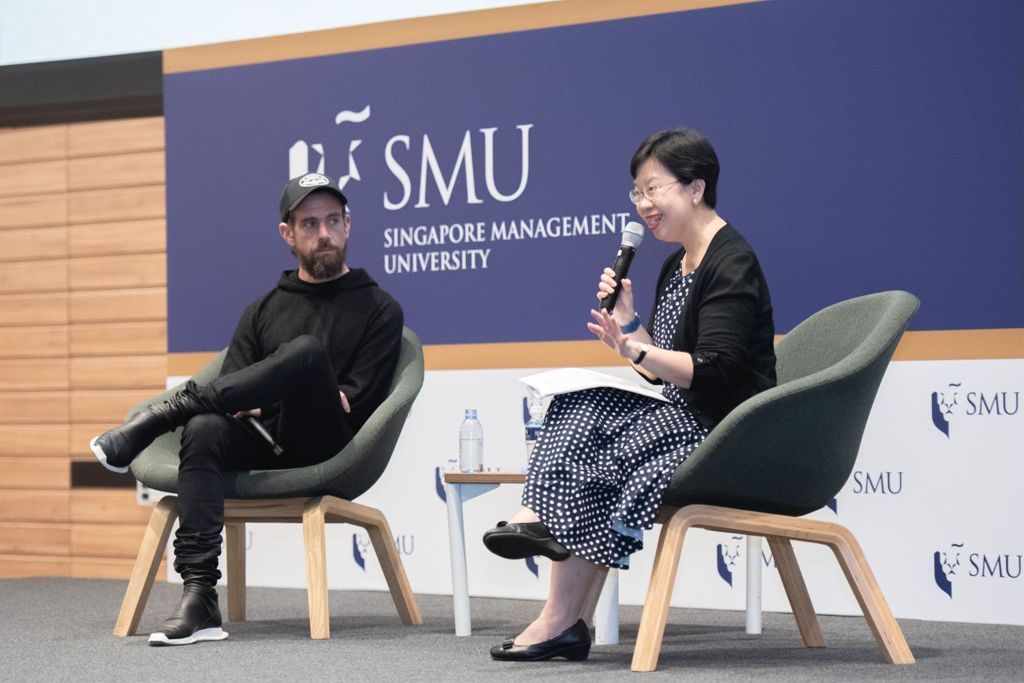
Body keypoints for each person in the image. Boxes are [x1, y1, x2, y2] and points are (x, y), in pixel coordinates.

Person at [482, 129, 776, 662]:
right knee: (578, 405)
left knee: (599, 445)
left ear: (695, 187)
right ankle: (560, 607)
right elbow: (664, 373)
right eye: (635, 193)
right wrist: (631, 328)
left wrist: (634, 350)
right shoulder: (674, 264)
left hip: (728, 432)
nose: (642, 205)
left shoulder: (731, 260)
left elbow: (716, 371)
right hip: (684, 415)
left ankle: (552, 574)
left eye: (652, 189)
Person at [90, 172, 403, 646]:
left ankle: (157, 419)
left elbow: (347, 400)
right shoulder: (262, 310)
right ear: (288, 234)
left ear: (348, 225)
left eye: (333, 221)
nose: (324, 234)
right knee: (204, 428)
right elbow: (234, 397)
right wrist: (252, 398)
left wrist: (276, 387)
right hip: (261, 440)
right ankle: (200, 597)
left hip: (326, 443)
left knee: (307, 353)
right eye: (310, 223)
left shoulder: (380, 309)